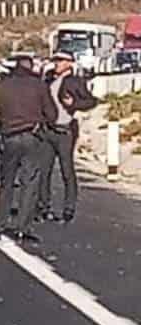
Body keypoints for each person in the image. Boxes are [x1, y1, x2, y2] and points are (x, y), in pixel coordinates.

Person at [0, 55, 57, 243]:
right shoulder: (39, 86)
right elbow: (52, 114)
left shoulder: (3, 85)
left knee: (6, 183)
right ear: (31, 67)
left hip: (8, 137)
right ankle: (22, 227)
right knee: (29, 182)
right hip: (32, 136)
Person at [37, 51, 98, 223]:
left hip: (65, 131)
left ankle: (68, 208)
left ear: (70, 63)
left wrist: (74, 104)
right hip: (47, 129)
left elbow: (91, 101)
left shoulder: (75, 81)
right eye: (55, 60)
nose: (56, 63)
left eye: (60, 60)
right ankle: (43, 206)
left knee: (67, 170)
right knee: (44, 170)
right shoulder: (47, 79)